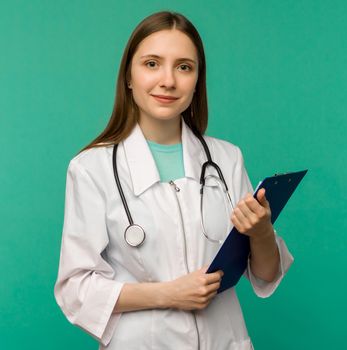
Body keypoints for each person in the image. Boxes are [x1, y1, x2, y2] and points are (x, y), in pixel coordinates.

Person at [54, 11, 293, 350]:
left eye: (184, 67)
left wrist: (262, 232)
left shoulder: (227, 159)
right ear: (129, 77)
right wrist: (167, 293)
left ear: (197, 81)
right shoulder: (91, 168)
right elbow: (75, 288)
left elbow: (266, 274)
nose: (168, 80)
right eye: (152, 64)